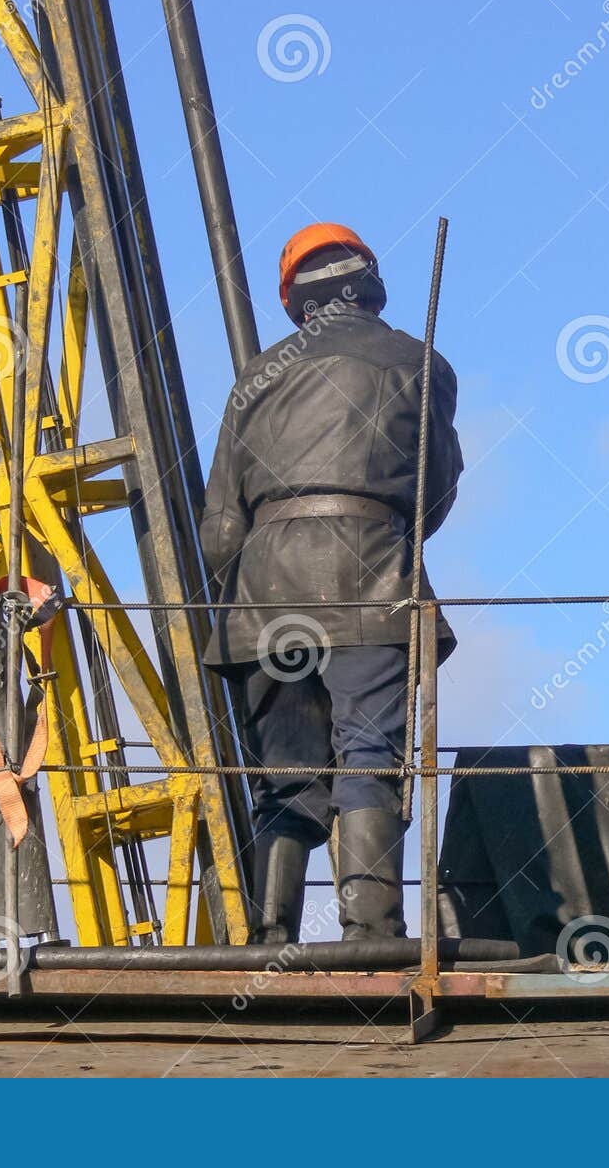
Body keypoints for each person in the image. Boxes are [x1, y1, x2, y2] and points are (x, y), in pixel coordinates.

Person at [201, 222, 463, 943]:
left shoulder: (255, 376)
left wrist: (249, 590)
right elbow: (435, 491)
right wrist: (381, 535)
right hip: (374, 584)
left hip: (263, 595)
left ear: (295, 300)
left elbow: (220, 525)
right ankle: (371, 930)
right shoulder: (422, 363)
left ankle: (269, 935)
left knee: (285, 770)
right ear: (370, 285)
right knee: (370, 749)